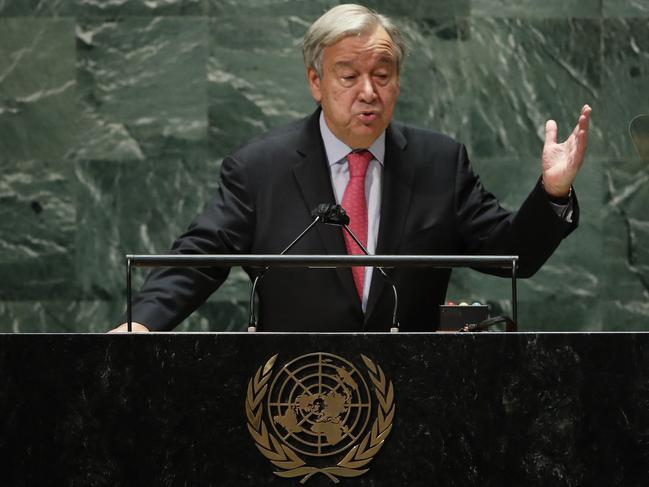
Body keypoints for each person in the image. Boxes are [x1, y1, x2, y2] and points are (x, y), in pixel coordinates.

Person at [110, 4, 591, 333]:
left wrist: (553, 193)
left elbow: (512, 256)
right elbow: (200, 257)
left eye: (382, 76)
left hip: (415, 402)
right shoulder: (261, 169)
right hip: (293, 399)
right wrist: (143, 321)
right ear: (315, 82)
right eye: (349, 76)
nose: (368, 91)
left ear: (398, 82)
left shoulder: (438, 164)